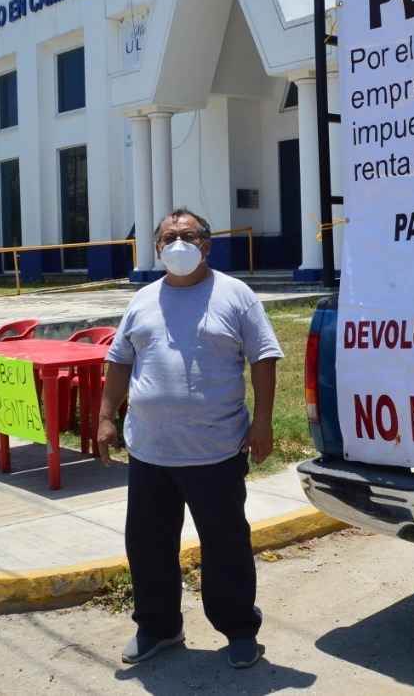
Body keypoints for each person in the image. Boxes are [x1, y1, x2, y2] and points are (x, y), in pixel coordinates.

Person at [97, 207, 282, 669]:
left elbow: (263, 358)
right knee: (148, 544)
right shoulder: (142, 299)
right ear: (157, 248)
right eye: (168, 237)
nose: (178, 243)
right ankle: (159, 627)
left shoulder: (236, 296)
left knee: (226, 546)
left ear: (207, 244)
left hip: (215, 450)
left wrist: (263, 423)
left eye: (188, 235)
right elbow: (119, 360)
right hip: (150, 451)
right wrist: (105, 417)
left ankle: (239, 629)